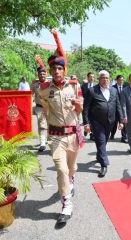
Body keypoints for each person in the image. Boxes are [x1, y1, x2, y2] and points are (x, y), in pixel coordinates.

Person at [38, 55, 83, 225]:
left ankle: (71, 181)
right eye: (53, 69)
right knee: (61, 170)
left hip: (73, 135)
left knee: (71, 168)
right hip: (56, 137)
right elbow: (45, 108)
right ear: (50, 71)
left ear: (64, 70)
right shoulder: (43, 89)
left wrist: (77, 104)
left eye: (59, 68)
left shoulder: (74, 86)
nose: (57, 71)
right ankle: (66, 205)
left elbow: (79, 110)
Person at [83, 70, 124, 177]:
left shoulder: (114, 91)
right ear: (99, 79)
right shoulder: (92, 91)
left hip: (110, 121)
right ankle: (104, 165)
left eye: (107, 78)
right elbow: (86, 108)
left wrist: (121, 120)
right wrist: (86, 123)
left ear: (109, 79)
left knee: (104, 140)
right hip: (96, 122)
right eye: (103, 78)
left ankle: (99, 155)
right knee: (101, 141)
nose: (105, 80)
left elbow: (118, 106)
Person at [31, 66, 49, 152]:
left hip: (50, 108)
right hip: (39, 108)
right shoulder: (34, 85)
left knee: (51, 125)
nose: (42, 75)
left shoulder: (50, 83)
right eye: (40, 74)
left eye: (44, 73)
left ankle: (49, 140)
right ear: (38, 74)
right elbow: (29, 95)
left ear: (46, 74)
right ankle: (42, 143)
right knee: (42, 125)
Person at [110, 75, 128, 142]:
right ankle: (112, 134)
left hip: (123, 109)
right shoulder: (112, 88)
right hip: (115, 109)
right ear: (117, 80)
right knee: (114, 123)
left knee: (123, 123)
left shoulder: (125, 88)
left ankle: (124, 137)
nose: (121, 81)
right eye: (120, 80)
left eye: (122, 80)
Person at [81, 72, 95, 141]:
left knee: (93, 120)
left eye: (93, 77)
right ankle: (86, 129)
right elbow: (80, 95)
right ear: (88, 77)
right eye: (90, 77)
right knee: (86, 119)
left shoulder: (96, 86)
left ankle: (92, 134)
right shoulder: (83, 86)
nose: (92, 78)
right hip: (85, 106)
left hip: (94, 106)